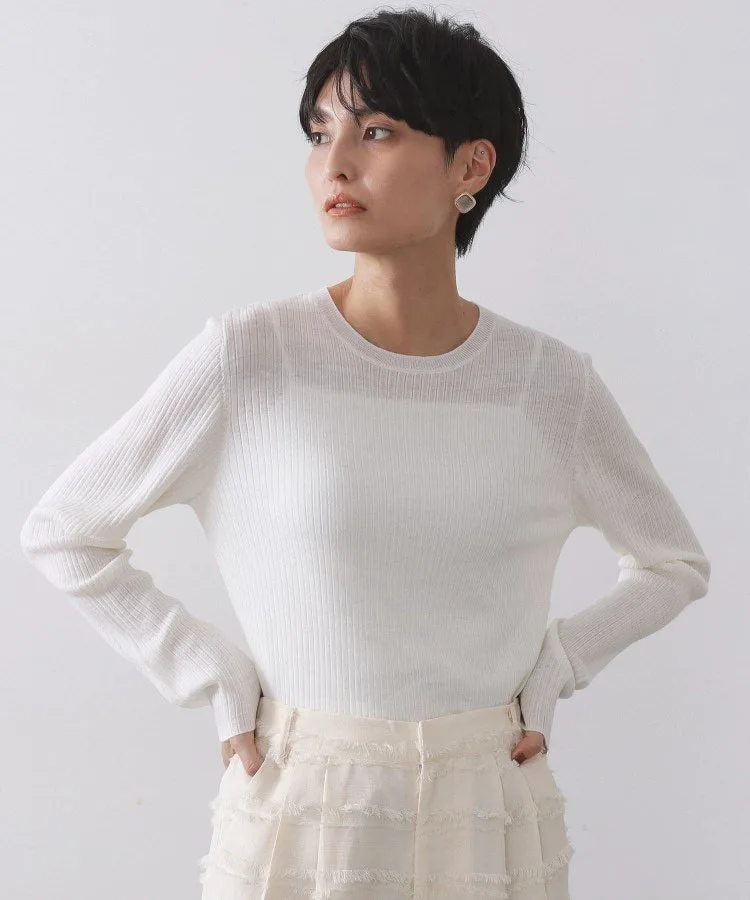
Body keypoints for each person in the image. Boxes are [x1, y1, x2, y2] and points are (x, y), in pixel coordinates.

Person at [20, 8, 710, 899]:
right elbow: (68, 530)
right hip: (303, 807)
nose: (334, 165)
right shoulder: (250, 358)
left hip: (489, 812)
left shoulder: (548, 384)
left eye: (376, 131)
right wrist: (210, 671)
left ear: (471, 165)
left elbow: (672, 563)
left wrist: (560, 666)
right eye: (320, 134)